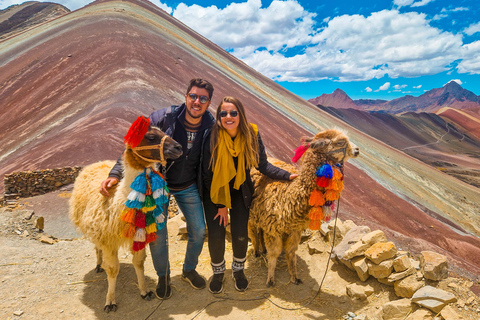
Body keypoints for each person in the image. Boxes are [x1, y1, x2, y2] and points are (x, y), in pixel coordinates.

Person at [100, 78, 216, 299]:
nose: (196, 102)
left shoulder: (211, 127)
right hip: (156, 185)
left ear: (208, 102)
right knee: (158, 233)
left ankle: (189, 269)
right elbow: (133, 147)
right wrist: (115, 174)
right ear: (186, 97)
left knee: (199, 230)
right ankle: (163, 276)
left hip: (188, 184)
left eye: (203, 98)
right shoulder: (164, 118)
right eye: (193, 96)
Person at [202, 96, 298, 293]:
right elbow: (207, 171)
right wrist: (220, 205)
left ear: (240, 115)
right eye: (223, 113)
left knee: (239, 233)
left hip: (240, 189)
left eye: (233, 113)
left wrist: (287, 175)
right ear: (219, 117)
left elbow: (262, 165)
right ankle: (219, 272)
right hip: (215, 190)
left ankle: (238, 271)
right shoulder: (212, 136)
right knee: (217, 235)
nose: (228, 117)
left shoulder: (251, 135)